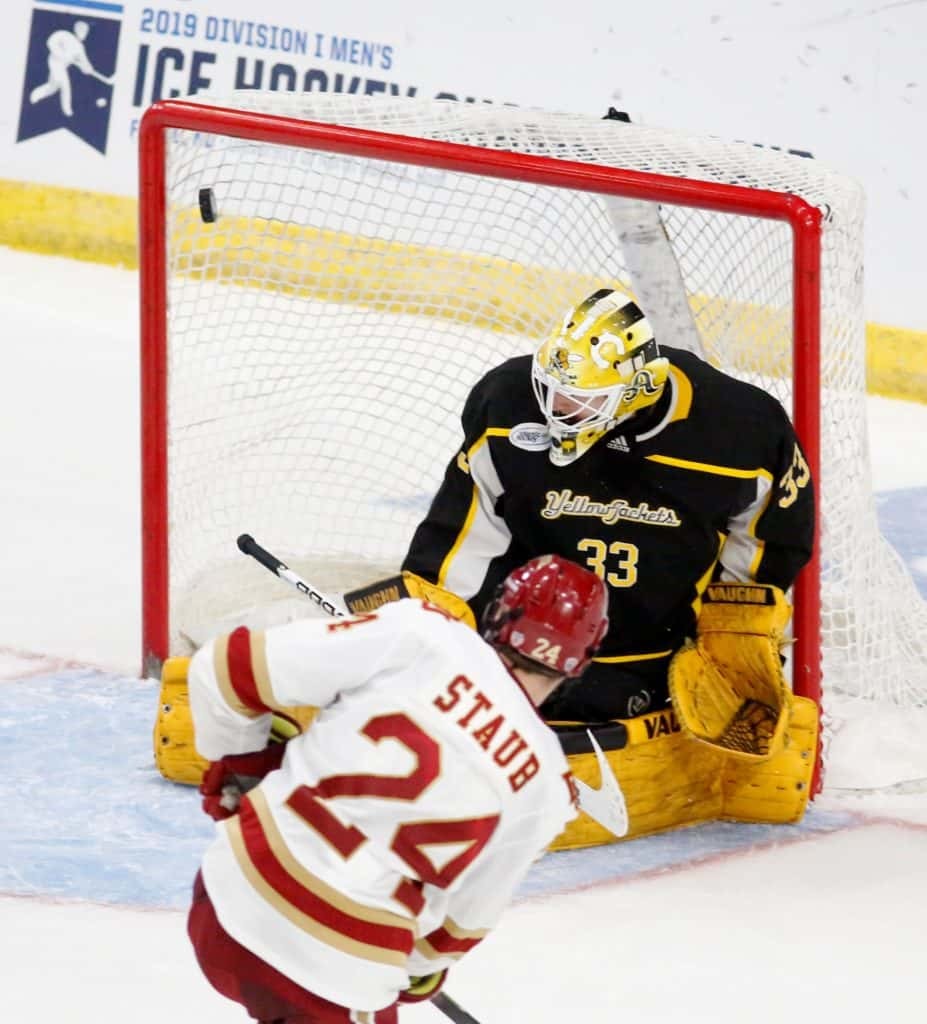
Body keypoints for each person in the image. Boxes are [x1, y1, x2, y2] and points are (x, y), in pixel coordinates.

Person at [185, 554, 608, 1023]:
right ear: (582, 661)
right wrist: (417, 971)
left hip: (224, 904)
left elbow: (223, 670)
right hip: (332, 975)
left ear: (498, 610)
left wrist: (243, 766)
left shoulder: (422, 632)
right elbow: (455, 931)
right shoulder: (547, 787)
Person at [399, 286, 815, 726]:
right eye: (552, 388)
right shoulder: (507, 404)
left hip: (656, 666)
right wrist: (431, 632)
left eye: (580, 398)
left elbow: (771, 537)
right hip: (514, 650)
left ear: (637, 390)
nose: (556, 407)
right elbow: (462, 535)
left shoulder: (741, 430)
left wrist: (736, 633)